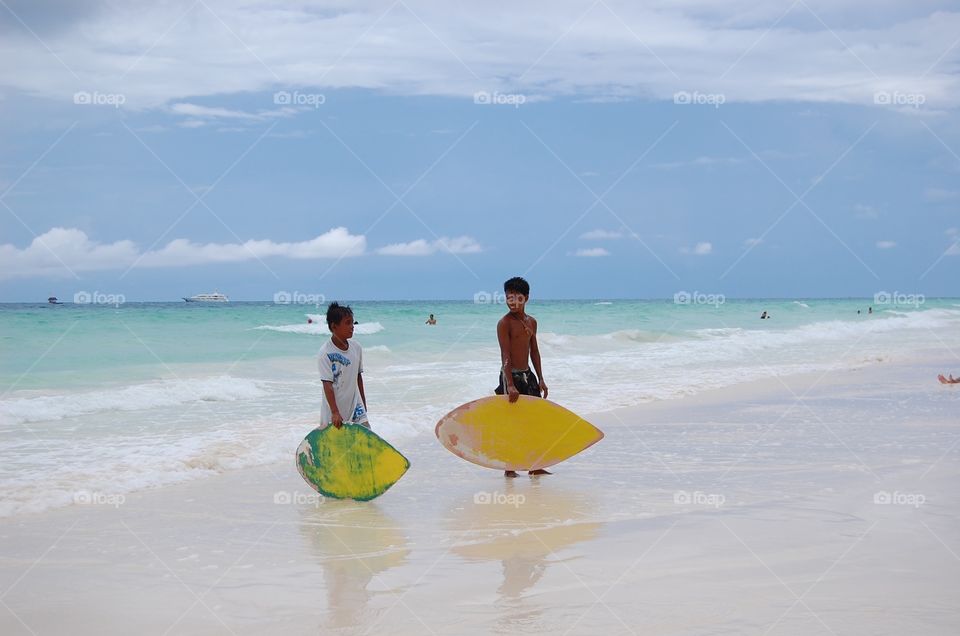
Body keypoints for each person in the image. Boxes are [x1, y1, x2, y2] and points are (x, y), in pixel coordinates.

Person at [494, 276, 549, 477]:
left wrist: (541, 378)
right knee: (512, 422)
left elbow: (534, 351)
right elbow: (505, 355)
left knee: (534, 420)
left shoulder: (531, 322)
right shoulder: (504, 323)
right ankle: (510, 468)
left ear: (526, 298)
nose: (512, 302)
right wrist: (510, 384)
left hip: (528, 375)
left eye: (517, 298)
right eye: (509, 298)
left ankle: (535, 466)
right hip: (511, 377)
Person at [318, 302, 368, 430]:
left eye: (352, 322)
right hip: (334, 409)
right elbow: (327, 385)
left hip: (355, 405)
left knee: (366, 433)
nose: (352, 326)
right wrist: (335, 412)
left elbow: (358, 377)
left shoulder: (356, 348)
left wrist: (363, 402)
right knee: (337, 445)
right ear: (334, 326)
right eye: (347, 323)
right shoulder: (325, 353)